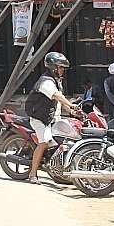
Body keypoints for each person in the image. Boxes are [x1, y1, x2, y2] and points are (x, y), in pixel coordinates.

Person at [27, 52, 82, 184]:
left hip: (51, 117)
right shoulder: (46, 82)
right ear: (53, 68)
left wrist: (73, 111)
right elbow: (57, 96)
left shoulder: (57, 81)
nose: (62, 70)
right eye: (60, 67)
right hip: (40, 119)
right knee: (44, 141)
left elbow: (61, 102)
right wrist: (71, 104)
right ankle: (32, 174)